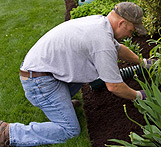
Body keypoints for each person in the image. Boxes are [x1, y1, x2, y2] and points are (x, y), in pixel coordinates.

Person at [0, 2, 153, 146]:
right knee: (70, 131)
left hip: (42, 72)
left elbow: (119, 49)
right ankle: (9, 133)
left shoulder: (99, 23)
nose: (130, 35)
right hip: (38, 82)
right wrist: (139, 95)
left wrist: (143, 62)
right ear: (121, 23)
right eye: (131, 30)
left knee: (87, 70)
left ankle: (60, 103)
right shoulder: (102, 41)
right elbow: (114, 86)